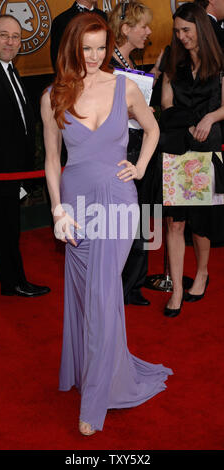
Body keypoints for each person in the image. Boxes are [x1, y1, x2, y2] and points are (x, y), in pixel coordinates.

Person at [41, 12, 172, 435]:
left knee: (102, 294)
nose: (95, 56)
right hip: (76, 204)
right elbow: (51, 160)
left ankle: (93, 403)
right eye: (86, 48)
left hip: (117, 201)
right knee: (83, 295)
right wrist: (58, 210)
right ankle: (94, 369)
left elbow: (152, 130)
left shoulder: (125, 86)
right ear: (72, 50)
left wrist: (139, 166)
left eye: (101, 47)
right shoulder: (53, 96)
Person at [160, 2, 224, 317]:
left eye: (186, 30)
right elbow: (166, 103)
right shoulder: (174, 61)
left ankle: (201, 273)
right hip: (176, 148)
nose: (181, 37)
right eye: (177, 31)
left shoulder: (220, 60)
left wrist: (211, 117)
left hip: (206, 150)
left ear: (201, 27)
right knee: (175, 223)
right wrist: (185, 122)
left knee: (201, 225)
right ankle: (176, 290)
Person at [108, 1, 162, 306]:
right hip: (124, 152)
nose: (149, 32)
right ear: (125, 29)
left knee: (146, 218)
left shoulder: (129, 64)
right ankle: (122, 283)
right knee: (125, 220)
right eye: (143, 26)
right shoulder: (107, 65)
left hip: (142, 150)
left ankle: (135, 283)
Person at [0, 15, 50, 297]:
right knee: (6, 230)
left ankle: (12, 281)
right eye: (4, 35)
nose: (11, 42)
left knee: (8, 230)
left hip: (14, 171)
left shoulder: (10, 70)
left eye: (16, 37)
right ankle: (15, 282)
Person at [50, 0, 107, 69]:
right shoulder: (62, 20)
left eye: (101, 48)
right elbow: (58, 59)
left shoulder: (103, 16)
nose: (94, 57)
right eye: (86, 48)